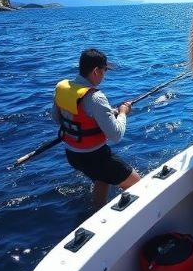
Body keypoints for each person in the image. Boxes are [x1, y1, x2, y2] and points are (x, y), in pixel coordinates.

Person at [52, 48, 140, 209]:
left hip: (72, 155)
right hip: (95, 157)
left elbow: (57, 118)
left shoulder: (62, 88)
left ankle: (97, 209)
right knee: (138, 184)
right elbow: (116, 135)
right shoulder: (95, 97)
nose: (105, 75)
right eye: (104, 70)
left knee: (102, 178)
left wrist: (105, 114)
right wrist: (122, 113)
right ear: (95, 71)